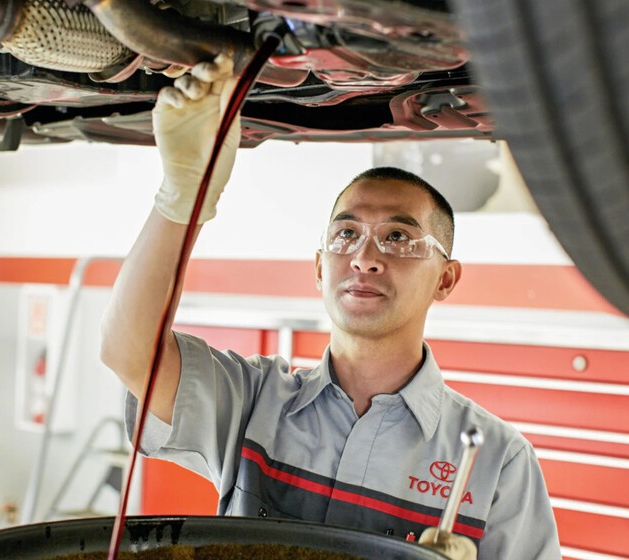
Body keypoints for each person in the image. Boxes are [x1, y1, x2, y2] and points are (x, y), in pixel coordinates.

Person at [100, 54, 561, 559]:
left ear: (445, 280)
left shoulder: (499, 462)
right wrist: (181, 197)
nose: (365, 258)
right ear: (320, 267)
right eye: (346, 234)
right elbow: (129, 351)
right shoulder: (255, 402)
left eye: (399, 237)